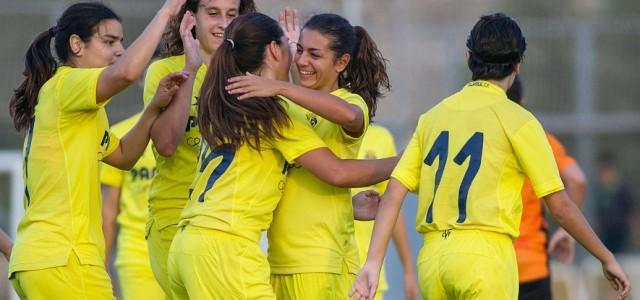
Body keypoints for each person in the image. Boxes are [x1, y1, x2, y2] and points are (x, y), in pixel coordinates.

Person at [351, 13, 630, 300]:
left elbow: (394, 192)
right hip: (485, 258)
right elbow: (560, 206)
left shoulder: (432, 117)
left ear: (469, 57)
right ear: (518, 65)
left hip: (433, 259)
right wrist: (605, 257)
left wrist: (373, 262)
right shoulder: (519, 120)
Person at [167, 12, 397, 299]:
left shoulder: (232, 103)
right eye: (297, 49)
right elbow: (335, 172)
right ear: (275, 50)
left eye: (314, 53)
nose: (300, 60)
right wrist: (408, 160)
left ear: (342, 62)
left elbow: (349, 118)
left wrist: (347, 207)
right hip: (230, 249)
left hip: (306, 258)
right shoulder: (274, 113)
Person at [7, 1, 188, 298]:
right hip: (66, 259)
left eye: (121, 41)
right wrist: (167, 12)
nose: (119, 50)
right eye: (109, 41)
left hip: (41, 261)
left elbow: (125, 156)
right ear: (77, 45)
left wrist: (153, 107)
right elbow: (127, 73)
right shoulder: (68, 85)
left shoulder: (81, 106)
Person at [142, 0, 256, 293]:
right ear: (191, 17)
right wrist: (191, 69)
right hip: (174, 215)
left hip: (228, 224)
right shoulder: (164, 71)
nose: (223, 23)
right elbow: (166, 144)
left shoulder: (250, 77)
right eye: (213, 13)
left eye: (232, 14)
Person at [507, 76, 587, 300]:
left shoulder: (482, 139)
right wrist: (566, 231)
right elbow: (577, 179)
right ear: (522, 103)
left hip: (491, 264)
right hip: (532, 262)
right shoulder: (536, 138)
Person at [101, 112, 165, 300]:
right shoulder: (120, 135)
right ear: (138, 80)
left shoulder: (196, 131)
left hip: (183, 251)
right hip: (137, 255)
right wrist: (102, 264)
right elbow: (109, 211)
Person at [352, 124, 420, 300]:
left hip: (367, 275)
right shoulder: (322, 130)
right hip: (327, 266)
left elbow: (390, 205)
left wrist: (408, 270)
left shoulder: (381, 138)